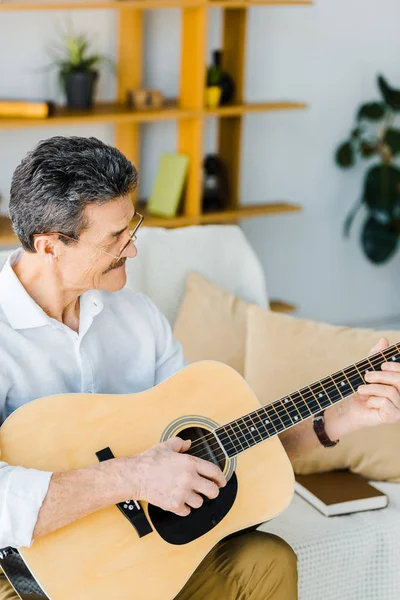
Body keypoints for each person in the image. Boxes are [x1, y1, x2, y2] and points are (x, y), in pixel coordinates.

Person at [0, 136, 399, 600]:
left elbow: (224, 450)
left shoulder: (138, 317)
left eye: (133, 227)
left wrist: (341, 418)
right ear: (49, 247)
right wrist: (131, 476)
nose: (132, 250)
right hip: (26, 576)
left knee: (266, 561)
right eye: (115, 238)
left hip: (140, 556)